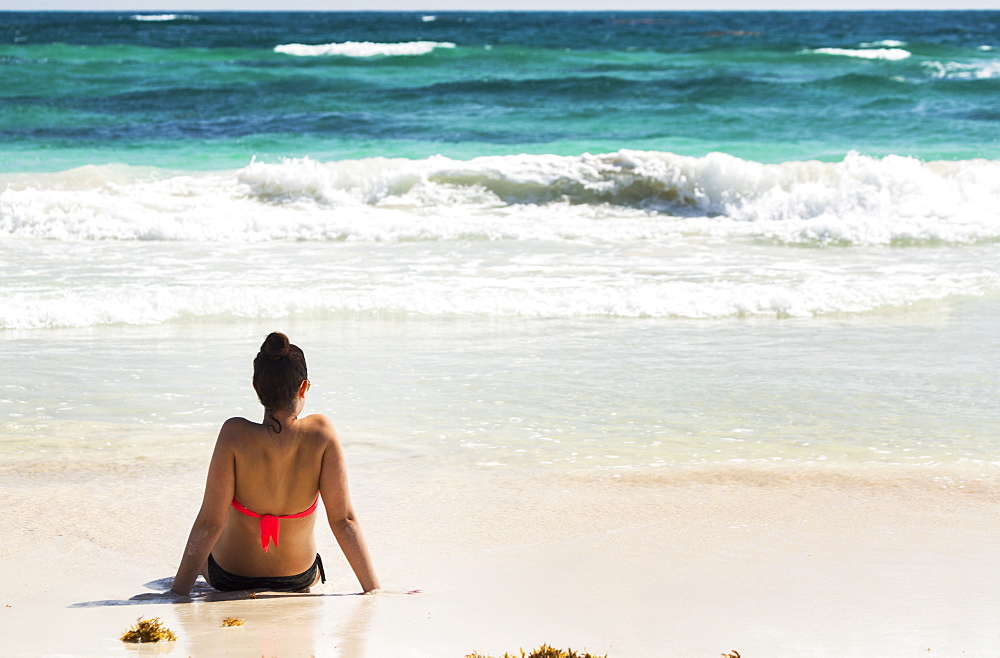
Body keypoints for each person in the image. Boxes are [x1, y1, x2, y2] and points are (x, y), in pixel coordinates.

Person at [170, 332, 380, 595]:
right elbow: (343, 520)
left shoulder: (234, 434)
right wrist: (373, 591)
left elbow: (210, 523)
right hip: (297, 578)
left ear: (257, 387)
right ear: (303, 387)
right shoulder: (322, 434)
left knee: (203, 556)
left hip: (228, 576)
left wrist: (176, 593)